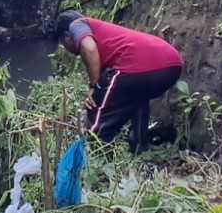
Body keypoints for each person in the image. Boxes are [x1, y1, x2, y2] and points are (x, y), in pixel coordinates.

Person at [55, 11, 183, 154]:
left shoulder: (77, 24)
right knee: (136, 97)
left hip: (139, 66)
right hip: (171, 66)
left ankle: (97, 153)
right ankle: (141, 147)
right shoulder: (106, 36)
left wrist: (93, 87)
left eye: (62, 44)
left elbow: (89, 50)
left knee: (97, 109)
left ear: (67, 36)